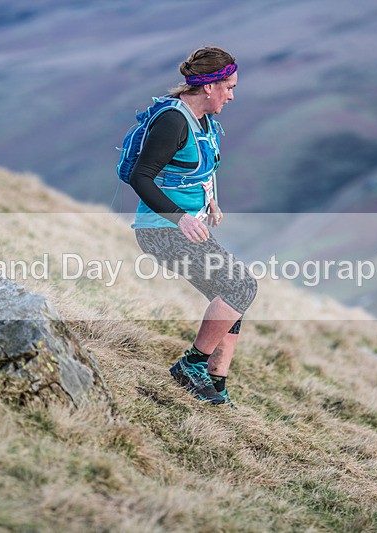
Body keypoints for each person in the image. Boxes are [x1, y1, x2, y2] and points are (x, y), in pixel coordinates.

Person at [128, 46, 257, 406]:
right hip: (160, 230)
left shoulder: (203, 120)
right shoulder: (173, 120)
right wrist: (179, 217)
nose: (231, 95)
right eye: (228, 87)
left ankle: (215, 384)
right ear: (210, 86)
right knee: (240, 285)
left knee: (235, 293)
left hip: (186, 226)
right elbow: (141, 177)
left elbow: (200, 169)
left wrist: (210, 201)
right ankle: (191, 366)